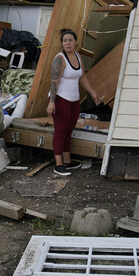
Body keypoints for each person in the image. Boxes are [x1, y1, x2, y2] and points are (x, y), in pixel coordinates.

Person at [47, 28, 101, 176]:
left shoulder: (77, 56)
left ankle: (67, 161)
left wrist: (92, 92)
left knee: (69, 130)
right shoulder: (59, 59)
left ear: (75, 42)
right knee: (60, 131)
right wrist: (52, 102)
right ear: (62, 43)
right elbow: (54, 82)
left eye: (70, 40)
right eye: (65, 41)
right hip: (60, 98)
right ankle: (58, 165)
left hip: (74, 99)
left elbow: (82, 77)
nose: (68, 43)